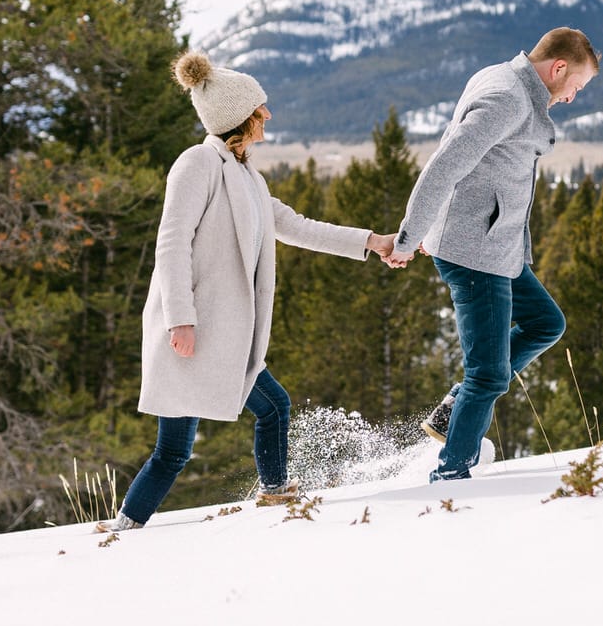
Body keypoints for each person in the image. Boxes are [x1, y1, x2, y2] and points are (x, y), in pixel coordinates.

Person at [97, 51, 397, 532]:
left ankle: (128, 526)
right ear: (240, 117)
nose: (269, 116)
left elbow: (297, 227)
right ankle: (270, 497)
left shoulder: (246, 176)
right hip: (198, 327)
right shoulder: (197, 164)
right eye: (261, 109)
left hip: (224, 332)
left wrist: (370, 242)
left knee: (192, 441)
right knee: (197, 439)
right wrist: (180, 319)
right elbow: (171, 243)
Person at [386, 28, 600, 482]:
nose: (572, 97)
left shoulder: (502, 77)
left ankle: (455, 407)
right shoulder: (508, 97)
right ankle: (451, 476)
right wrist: (411, 236)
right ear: (558, 68)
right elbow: (445, 164)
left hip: (494, 245)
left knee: (546, 323)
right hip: (475, 251)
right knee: (488, 375)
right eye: (576, 86)